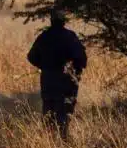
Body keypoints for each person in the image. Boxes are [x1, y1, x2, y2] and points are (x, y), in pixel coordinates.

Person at [27, 9, 87, 141]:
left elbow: (31, 56)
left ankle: (48, 141)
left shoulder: (44, 36)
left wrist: (44, 66)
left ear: (51, 21)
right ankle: (63, 139)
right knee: (65, 109)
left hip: (48, 79)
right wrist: (75, 70)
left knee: (48, 109)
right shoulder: (70, 37)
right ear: (64, 21)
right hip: (66, 79)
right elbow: (81, 58)